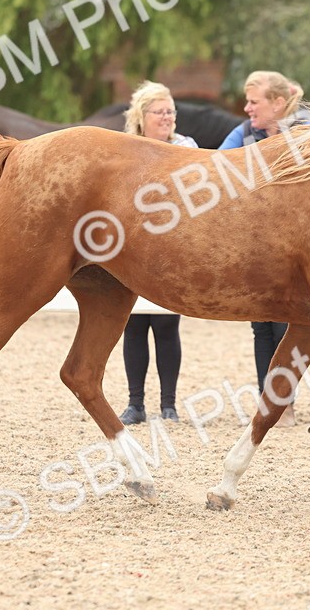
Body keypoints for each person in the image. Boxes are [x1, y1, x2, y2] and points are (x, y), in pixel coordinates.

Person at [219, 70, 310, 426]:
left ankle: (285, 402)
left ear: (277, 102)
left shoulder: (306, 131)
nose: (247, 108)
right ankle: (269, 401)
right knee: (261, 325)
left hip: (295, 244)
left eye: (254, 102)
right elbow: (219, 168)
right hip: (256, 244)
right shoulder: (243, 134)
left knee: (289, 326)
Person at [117, 81, 198, 425]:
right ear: (141, 116)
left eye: (170, 111)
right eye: (160, 112)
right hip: (132, 246)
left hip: (171, 248)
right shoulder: (125, 148)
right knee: (133, 327)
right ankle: (135, 403)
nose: (167, 117)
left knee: (167, 327)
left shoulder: (187, 147)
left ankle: (168, 404)